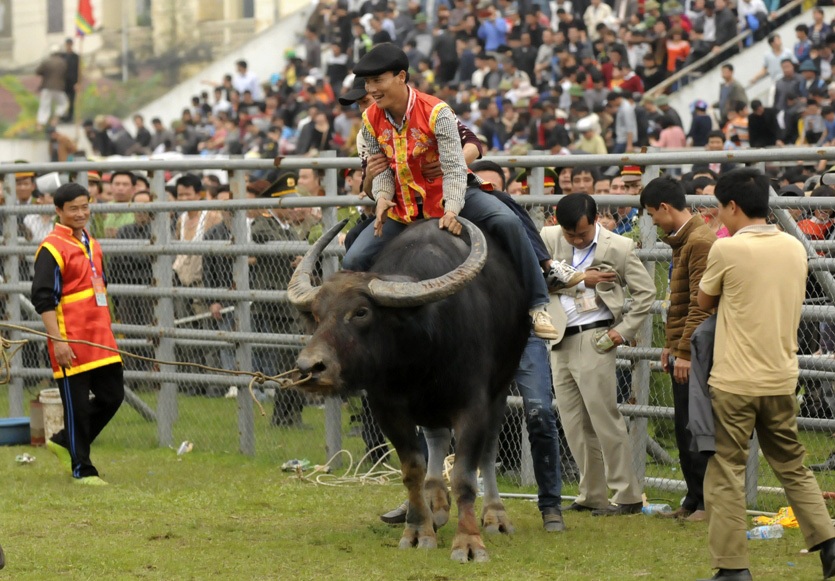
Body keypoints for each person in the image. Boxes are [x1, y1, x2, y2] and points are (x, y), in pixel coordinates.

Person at [343, 43, 557, 340]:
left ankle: (538, 303)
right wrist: (381, 198)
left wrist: (452, 209)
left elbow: (455, 168)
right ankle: (368, 331)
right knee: (353, 260)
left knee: (507, 221)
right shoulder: (369, 120)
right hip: (404, 207)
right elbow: (382, 171)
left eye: (377, 80)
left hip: (451, 195)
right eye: (368, 83)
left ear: (401, 77)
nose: (371, 89)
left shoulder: (437, 112)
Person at [696, 168, 835, 581]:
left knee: (726, 471)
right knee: (792, 465)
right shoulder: (794, 247)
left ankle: (732, 567)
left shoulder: (727, 249)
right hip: (781, 376)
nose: (719, 215)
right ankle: (829, 541)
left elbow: (704, 300)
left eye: (719, 208)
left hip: (735, 379)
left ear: (732, 206)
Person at [542, 193, 654, 516]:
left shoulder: (618, 247)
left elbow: (645, 292)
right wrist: (581, 280)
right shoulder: (548, 239)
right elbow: (537, 279)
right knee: (573, 422)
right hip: (559, 338)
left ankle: (627, 494)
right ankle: (591, 493)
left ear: (594, 221)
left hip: (595, 338)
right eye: (569, 234)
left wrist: (623, 330)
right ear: (558, 225)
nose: (576, 240)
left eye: (582, 233)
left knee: (604, 418)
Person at [31, 183, 124, 485]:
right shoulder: (51, 248)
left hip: (100, 337)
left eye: (85, 207)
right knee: (78, 407)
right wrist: (58, 341)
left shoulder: (92, 243)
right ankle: (82, 469)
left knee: (113, 396)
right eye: (73, 208)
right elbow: (43, 298)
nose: (81, 213)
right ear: (58, 211)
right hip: (70, 338)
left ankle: (63, 441)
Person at [640, 176, 716, 523]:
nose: (653, 221)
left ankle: (706, 503)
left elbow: (700, 306)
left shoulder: (699, 242)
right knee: (685, 424)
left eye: (652, 214)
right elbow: (680, 302)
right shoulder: (684, 241)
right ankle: (693, 498)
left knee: (697, 426)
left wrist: (684, 351)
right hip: (685, 348)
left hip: (696, 350)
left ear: (665, 208)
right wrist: (671, 346)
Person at [249, 173, 308, 427]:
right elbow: (263, 238)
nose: (293, 209)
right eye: (288, 204)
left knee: (296, 360)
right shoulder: (264, 224)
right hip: (275, 305)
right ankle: (283, 417)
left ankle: (292, 415)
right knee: (288, 361)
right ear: (276, 203)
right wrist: (295, 255)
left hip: (290, 303)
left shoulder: (286, 228)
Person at [35, 45, 68, 128]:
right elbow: (65, 74)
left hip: (46, 87)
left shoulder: (46, 61)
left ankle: (40, 124)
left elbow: (38, 71)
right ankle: (55, 119)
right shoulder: (63, 62)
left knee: (44, 106)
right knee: (63, 103)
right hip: (59, 88)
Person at [61, 38, 80, 122]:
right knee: (63, 100)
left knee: (72, 100)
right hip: (64, 82)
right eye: (67, 44)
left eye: (70, 44)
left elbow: (78, 71)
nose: (69, 46)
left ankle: (70, 117)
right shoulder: (62, 56)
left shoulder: (76, 57)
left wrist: (77, 82)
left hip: (73, 82)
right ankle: (62, 116)